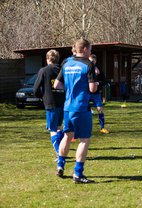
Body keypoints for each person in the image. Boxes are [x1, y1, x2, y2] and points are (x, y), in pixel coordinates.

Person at [54, 38, 98, 184]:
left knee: (67, 136)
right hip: (81, 107)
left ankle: (60, 165)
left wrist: (71, 88)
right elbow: (92, 89)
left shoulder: (66, 63)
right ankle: (78, 174)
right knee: (84, 139)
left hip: (67, 107)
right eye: (90, 49)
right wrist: (95, 84)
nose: (91, 51)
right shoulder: (88, 64)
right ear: (84, 49)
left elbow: (57, 85)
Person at [33, 49, 65, 161]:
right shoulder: (63, 70)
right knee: (59, 127)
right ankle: (62, 150)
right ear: (58, 59)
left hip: (51, 103)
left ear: (47, 59)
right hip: (63, 102)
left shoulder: (44, 70)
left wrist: (42, 97)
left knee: (52, 129)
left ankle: (60, 154)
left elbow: (35, 89)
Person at [89, 54, 109, 134]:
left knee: (100, 109)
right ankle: (80, 129)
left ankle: (102, 127)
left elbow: (104, 81)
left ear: (95, 61)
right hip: (86, 93)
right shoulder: (85, 69)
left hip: (96, 93)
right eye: (90, 61)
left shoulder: (99, 70)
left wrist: (98, 83)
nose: (92, 63)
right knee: (83, 111)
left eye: (93, 61)